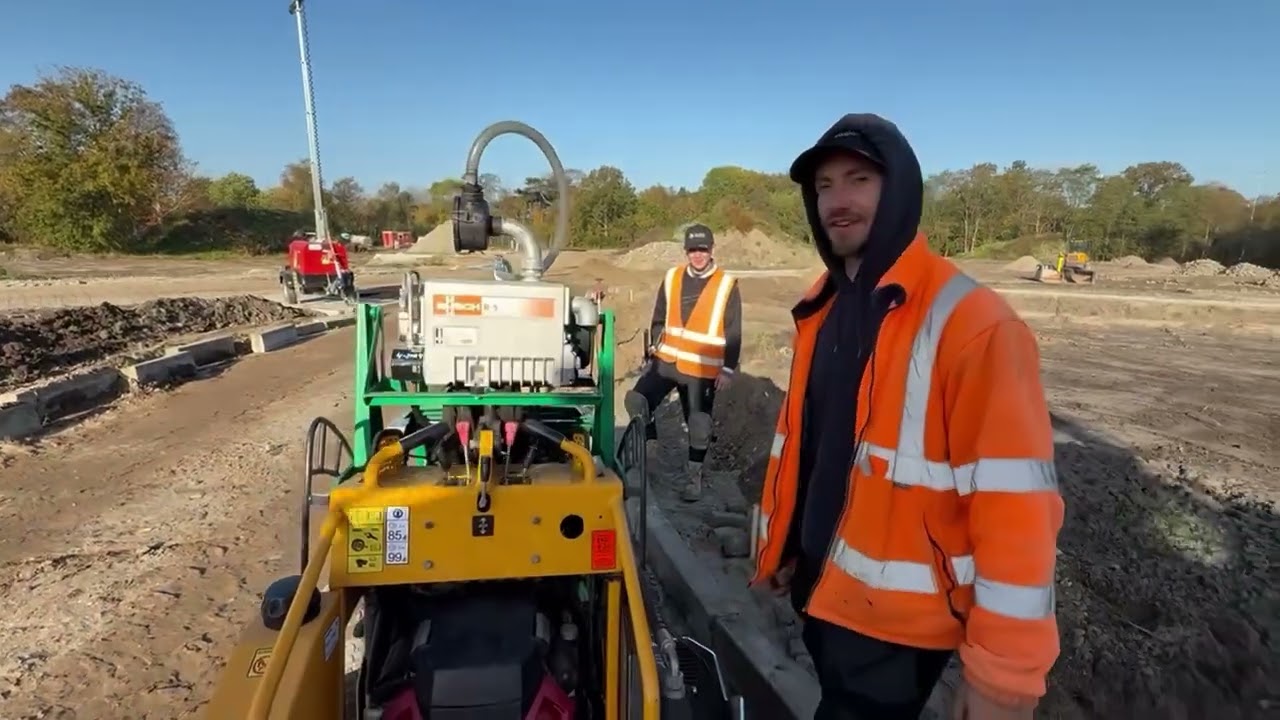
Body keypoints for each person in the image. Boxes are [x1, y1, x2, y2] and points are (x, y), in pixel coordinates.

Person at [748, 113, 1063, 720]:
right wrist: (790, 545)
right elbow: (817, 447)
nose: (836, 202)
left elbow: (1017, 511)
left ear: (900, 191)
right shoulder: (827, 308)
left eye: (858, 180)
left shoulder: (975, 326)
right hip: (826, 593)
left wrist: (1004, 679)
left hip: (897, 628)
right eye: (823, 187)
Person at [624, 223, 742, 502]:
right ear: (686, 251)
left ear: (712, 250)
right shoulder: (672, 277)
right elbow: (659, 314)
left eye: (703, 249)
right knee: (636, 400)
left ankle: (694, 478)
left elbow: (734, 329)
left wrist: (728, 368)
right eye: (692, 250)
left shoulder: (726, 285)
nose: (698, 255)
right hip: (666, 360)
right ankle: (650, 447)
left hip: (701, 369)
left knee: (699, 424)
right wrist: (653, 343)